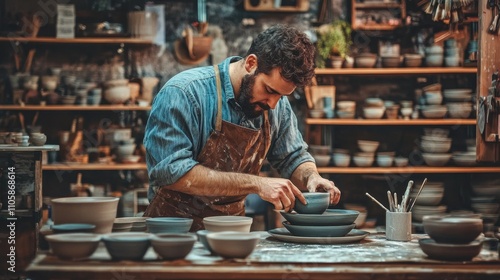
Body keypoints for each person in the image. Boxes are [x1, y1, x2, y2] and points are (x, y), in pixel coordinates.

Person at [142, 24, 341, 231]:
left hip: (231, 232)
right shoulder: (184, 93)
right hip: (173, 232)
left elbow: (292, 157)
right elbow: (170, 172)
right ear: (251, 63)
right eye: (269, 90)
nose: (272, 104)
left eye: (281, 96)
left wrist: (311, 176)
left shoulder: (276, 105)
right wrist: (257, 183)